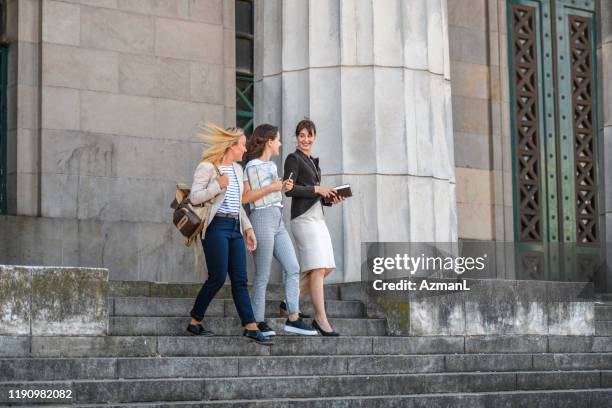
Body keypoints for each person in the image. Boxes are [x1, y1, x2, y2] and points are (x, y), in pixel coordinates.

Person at [187, 124, 273, 345]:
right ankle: (195, 320)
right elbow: (195, 198)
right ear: (231, 146)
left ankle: (250, 326)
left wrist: (248, 228)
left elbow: (237, 205)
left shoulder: (236, 170)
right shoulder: (208, 167)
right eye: (242, 145)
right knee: (217, 278)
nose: (245, 150)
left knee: (241, 279)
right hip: (215, 227)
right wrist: (217, 185)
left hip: (235, 227)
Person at [242, 124, 318, 337]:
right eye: (277, 139)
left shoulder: (273, 166)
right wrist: (271, 188)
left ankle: (293, 317)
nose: (280, 143)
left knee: (293, 267)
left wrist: (282, 187)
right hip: (261, 218)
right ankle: (257, 321)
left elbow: (274, 193)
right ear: (268, 142)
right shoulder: (251, 166)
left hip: (277, 218)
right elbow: (246, 198)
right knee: (263, 274)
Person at [283, 119, 345, 336]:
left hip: (318, 217)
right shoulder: (293, 158)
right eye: (301, 135)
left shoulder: (313, 162)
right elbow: (289, 190)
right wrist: (317, 189)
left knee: (327, 267)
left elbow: (315, 194)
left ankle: (288, 302)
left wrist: (329, 198)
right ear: (296, 137)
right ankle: (321, 318)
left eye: (309, 135)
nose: (305, 139)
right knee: (318, 268)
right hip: (303, 219)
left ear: (315, 137)